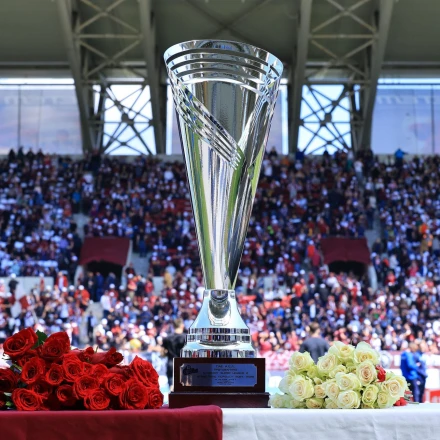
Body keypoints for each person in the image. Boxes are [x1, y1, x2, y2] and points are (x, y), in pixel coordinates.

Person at [162, 319, 187, 389]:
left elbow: (163, 352)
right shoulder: (186, 337)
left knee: (171, 386)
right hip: (183, 364)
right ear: (182, 325)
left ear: (173, 326)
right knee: (184, 387)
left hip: (171, 363)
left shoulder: (167, 338)